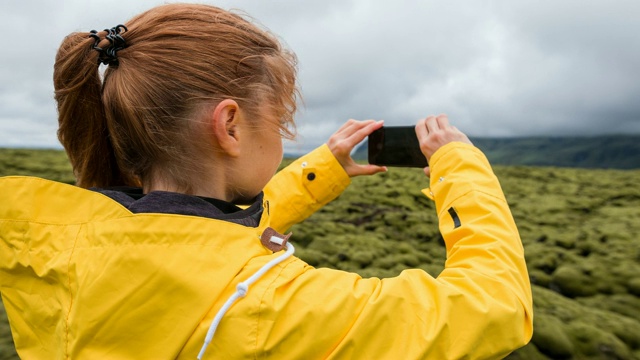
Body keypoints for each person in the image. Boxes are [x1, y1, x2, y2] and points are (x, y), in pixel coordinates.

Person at [0, 3, 532, 359]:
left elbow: (199, 239)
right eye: (278, 121)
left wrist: (323, 168)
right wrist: (460, 166)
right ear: (229, 125)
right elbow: (497, 306)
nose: (282, 138)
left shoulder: (45, 234)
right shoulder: (269, 308)